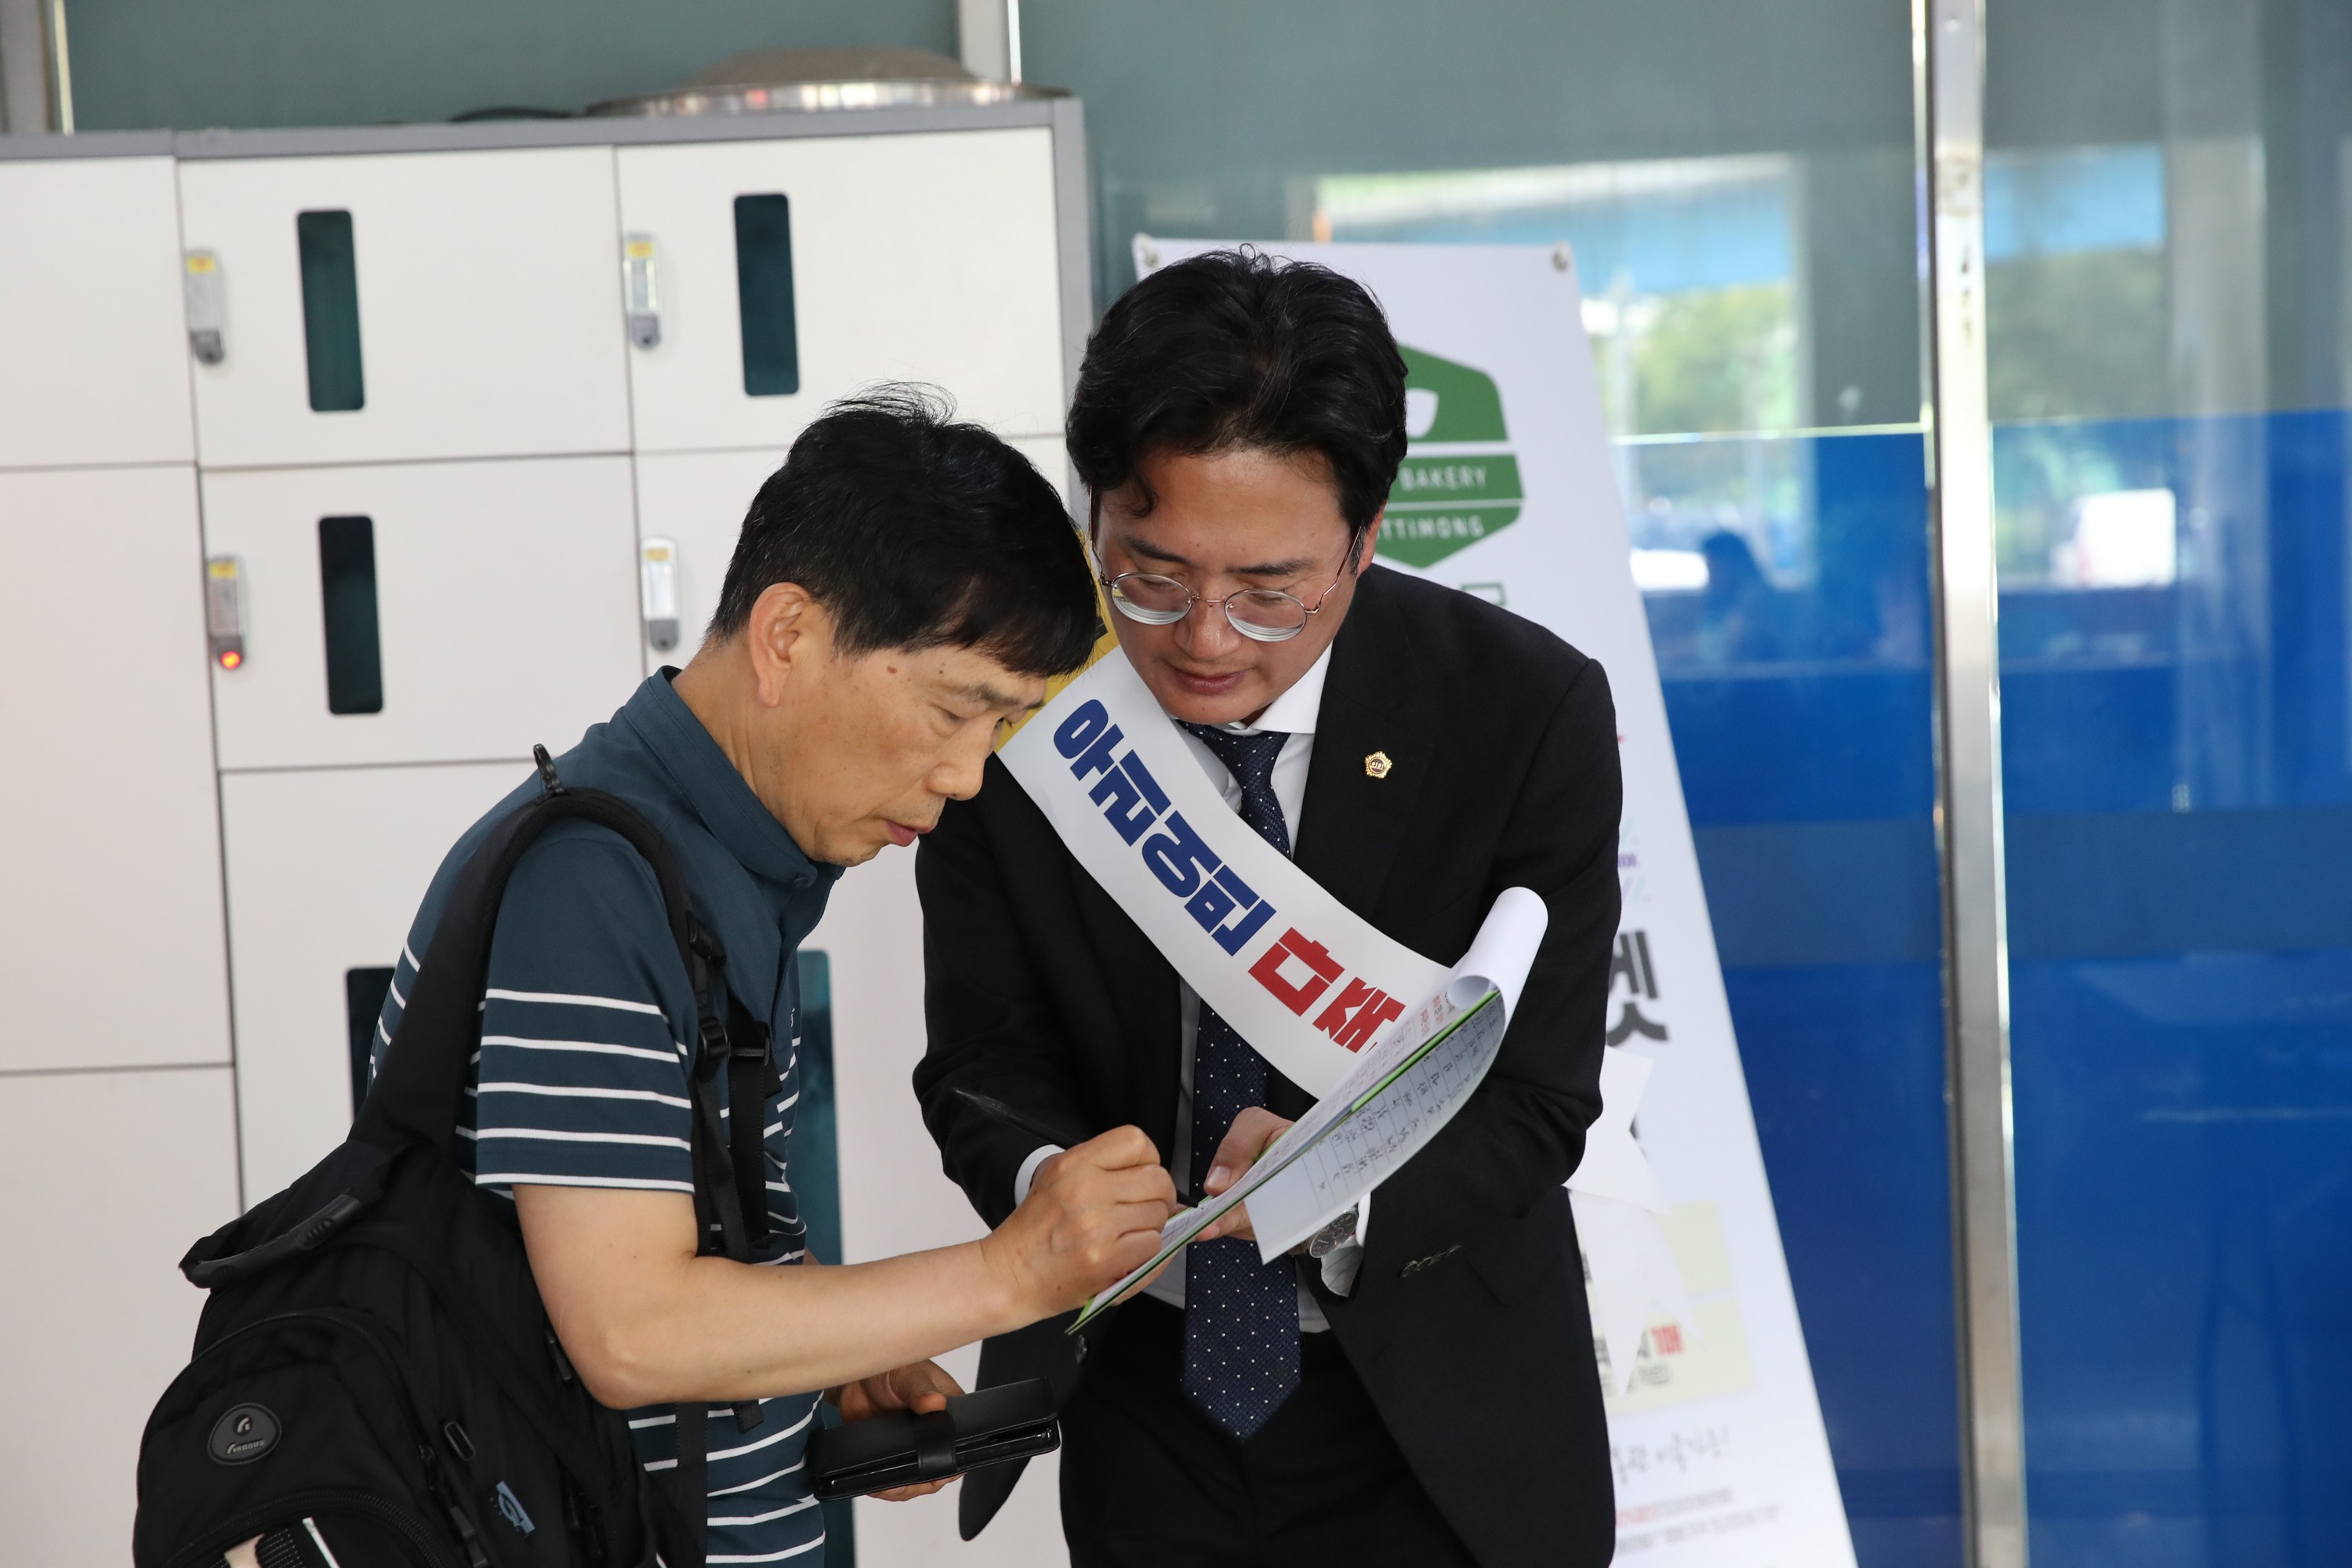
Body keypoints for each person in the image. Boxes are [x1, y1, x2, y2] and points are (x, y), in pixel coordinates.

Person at [370, 391, 1179, 1566]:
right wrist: (1014, 1274)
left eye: (1003, 728)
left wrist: (823, 1353)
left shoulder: (722, 866)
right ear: (788, 635)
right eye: (957, 709)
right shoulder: (593, 888)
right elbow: (632, 1332)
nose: (965, 777)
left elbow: (675, 1259)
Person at [914, 250, 1623, 1568]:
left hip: (1442, 1415)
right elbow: (982, 1061)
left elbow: (1536, 1101)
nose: (1206, 638)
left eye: (1271, 590)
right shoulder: (1027, 709)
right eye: (1151, 573)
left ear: (1363, 541)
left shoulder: (1522, 714)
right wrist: (1052, 1190)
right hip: (1148, 1399)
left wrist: (1329, 1195)